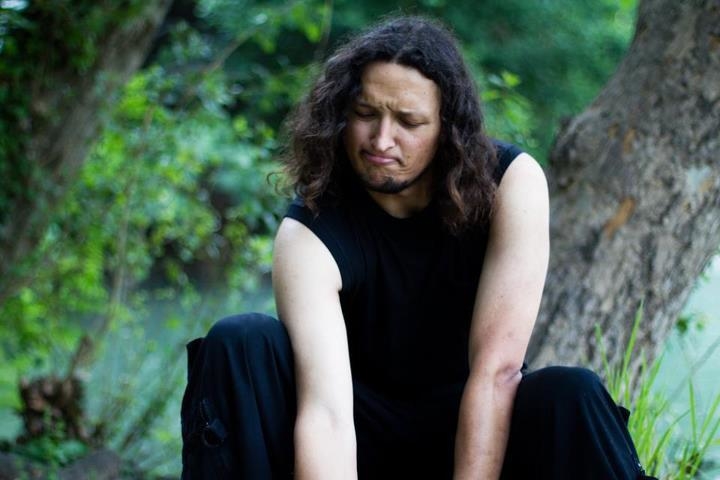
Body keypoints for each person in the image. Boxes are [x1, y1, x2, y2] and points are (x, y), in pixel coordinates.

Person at [180, 16, 655, 480]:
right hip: (358, 434)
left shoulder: (511, 182)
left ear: (447, 129)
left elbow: (497, 372)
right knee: (241, 341)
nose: (381, 140)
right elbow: (327, 413)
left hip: (478, 429)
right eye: (365, 113)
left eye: (408, 121)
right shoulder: (310, 229)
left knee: (572, 392)